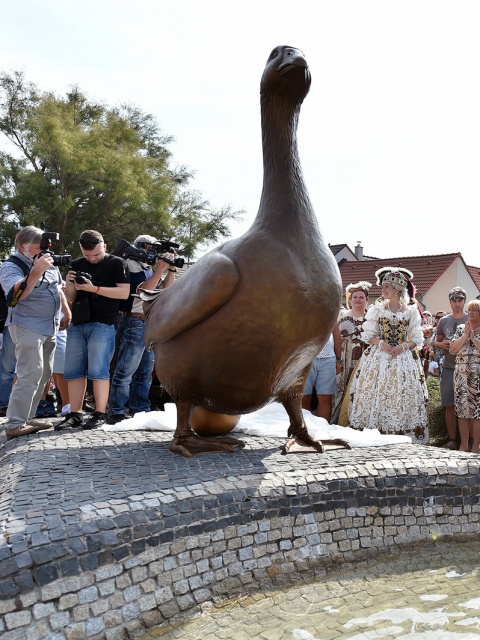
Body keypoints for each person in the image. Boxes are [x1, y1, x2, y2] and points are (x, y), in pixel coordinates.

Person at [0, 226, 71, 439]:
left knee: (44, 374)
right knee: (30, 372)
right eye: (39, 244)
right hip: (26, 325)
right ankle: (14, 424)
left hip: (50, 325)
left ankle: (27, 418)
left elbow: (58, 288)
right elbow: (14, 296)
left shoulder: (46, 260)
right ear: (23, 246)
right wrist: (36, 271)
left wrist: (65, 311)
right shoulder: (11, 266)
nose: (45, 248)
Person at [55, 230, 130, 431]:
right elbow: (70, 298)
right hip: (78, 323)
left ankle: (100, 413)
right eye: (87, 255)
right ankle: (75, 414)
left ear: (104, 246)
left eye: (96, 255)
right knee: (73, 371)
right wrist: (70, 284)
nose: (92, 258)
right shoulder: (77, 264)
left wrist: (93, 289)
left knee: (99, 371)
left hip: (104, 323)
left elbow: (124, 293)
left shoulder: (116, 263)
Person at [348, 267, 428, 443]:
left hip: (403, 358)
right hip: (378, 356)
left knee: (400, 392)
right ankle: (375, 431)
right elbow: (368, 334)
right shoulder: (377, 309)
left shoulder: (411, 311)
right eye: (383, 287)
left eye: (386, 287)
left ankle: (398, 431)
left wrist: (403, 347)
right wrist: (381, 344)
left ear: (397, 290)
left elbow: (417, 338)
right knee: (376, 390)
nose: (382, 290)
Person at [107, 235, 177, 424]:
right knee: (126, 369)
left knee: (145, 371)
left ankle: (140, 408)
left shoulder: (147, 269)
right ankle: (117, 410)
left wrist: (169, 269)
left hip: (148, 322)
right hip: (133, 321)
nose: (152, 252)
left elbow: (165, 289)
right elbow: (143, 291)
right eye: (148, 247)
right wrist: (159, 270)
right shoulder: (129, 265)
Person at [332, 280, 371, 425]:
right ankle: (336, 418)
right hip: (343, 356)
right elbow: (333, 336)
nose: (358, 300)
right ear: (350, 299)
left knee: (358, 388)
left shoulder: (371, 318)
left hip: (363, 358)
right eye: (355, 297)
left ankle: (355, 420)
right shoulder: (341, 315)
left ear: (367, 300)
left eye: (361, 297)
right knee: (340, 387)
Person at [434, 287, 468, 449]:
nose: (457, 303)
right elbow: (436, 341)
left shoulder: (472, 318)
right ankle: (453, 440)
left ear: (464, 301)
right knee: (450, 405)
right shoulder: (444, 321)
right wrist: (440, 344)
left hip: (468, 368)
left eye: (459, 300)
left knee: (469, 405)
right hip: (448, 367)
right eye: (454, 300)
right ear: (450, 302)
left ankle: (472, 441)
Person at [449, 300, 480, 453]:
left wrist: (473, 338)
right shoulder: (461, 328)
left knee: (477, 412)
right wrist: (466, 335)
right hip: (461, 374)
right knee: (462, 410)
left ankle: (476, 446)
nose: (471, 312)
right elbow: (453, 349)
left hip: (478, 375)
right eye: (469, 310)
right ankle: (464, 445)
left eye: (475, 310)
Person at [302, 327, 342, 422]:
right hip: (304, 359)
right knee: (304, 397)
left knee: (325, 397)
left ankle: (322, 429)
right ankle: (304, 429)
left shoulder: (330, 311)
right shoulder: (300, 312)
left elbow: (336, 334)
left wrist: (338, 359)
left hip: (328, 359)